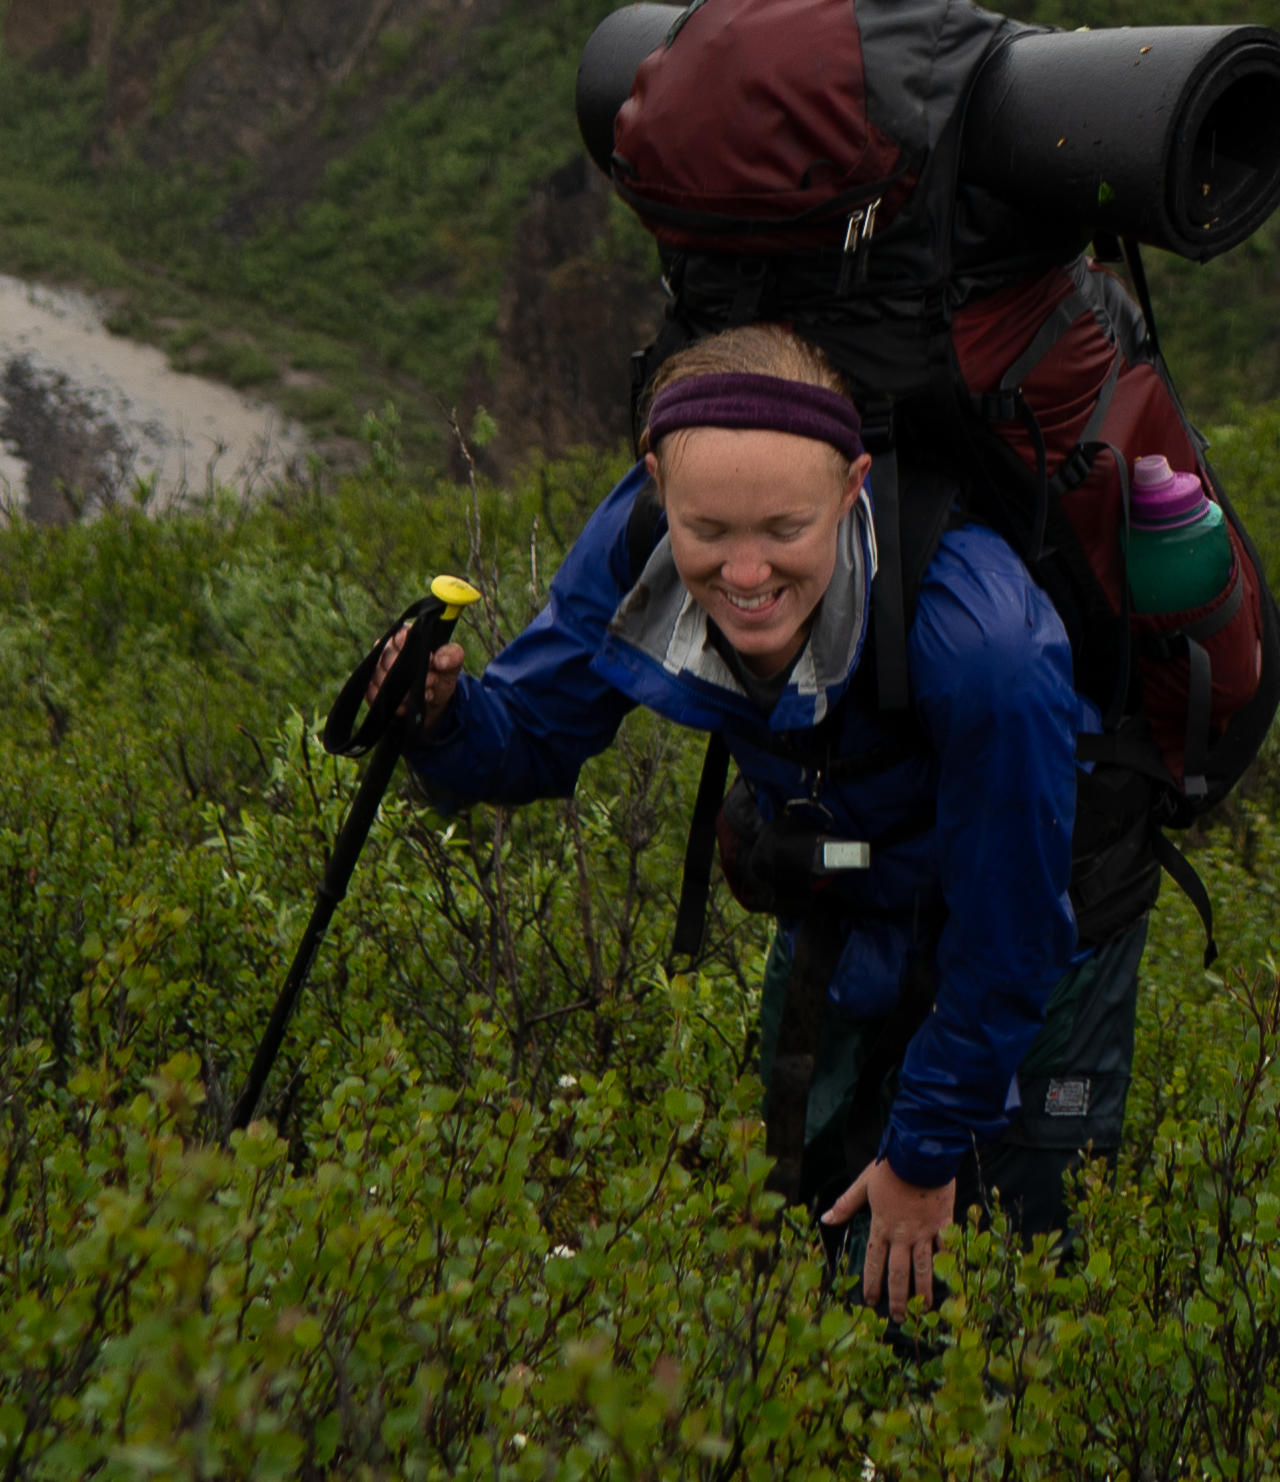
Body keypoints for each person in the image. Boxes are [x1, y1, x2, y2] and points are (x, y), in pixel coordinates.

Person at [336, 339, 1130, 1312]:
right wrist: (436, 716)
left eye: (784, 528)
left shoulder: (978, 640)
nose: (744, 571)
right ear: (654, 481)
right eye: (705, 528)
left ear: (851, 490)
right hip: (843, 912)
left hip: (1038, 947)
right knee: (809, 1266)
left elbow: (1010, 929)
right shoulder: (638, 545)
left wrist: (924, 1154)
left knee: (981, 1307)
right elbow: (531, 738)